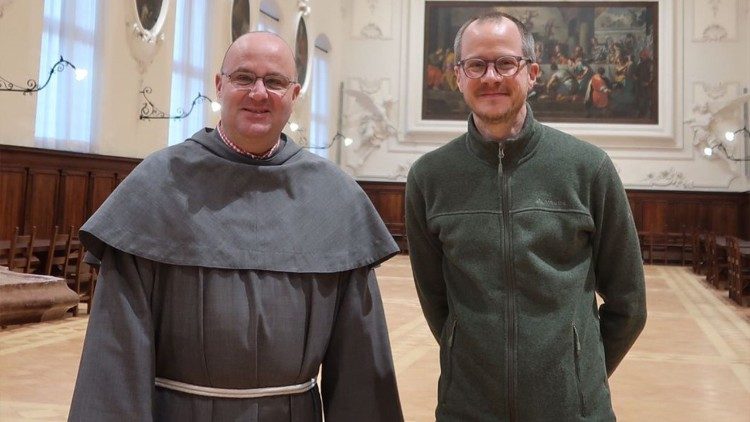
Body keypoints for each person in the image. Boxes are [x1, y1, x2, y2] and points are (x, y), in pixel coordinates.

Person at [68, 31, 403, 422]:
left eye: (275, 82)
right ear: (219, 85)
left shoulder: (335, 197)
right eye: (244, 78)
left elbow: (361, 364)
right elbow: (115, 353)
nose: (259, 93)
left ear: (294, 95)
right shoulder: (158, 185)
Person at [405, 12, 646, 421]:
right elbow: (436, 301)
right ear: (459, 76)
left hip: (575, 411)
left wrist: (577, 373)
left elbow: (629, 303)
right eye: (476, 65)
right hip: (467, 409)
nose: (491, 77)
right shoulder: (429, 177)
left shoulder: (588, 167)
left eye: (505, 63)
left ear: (532, 73)